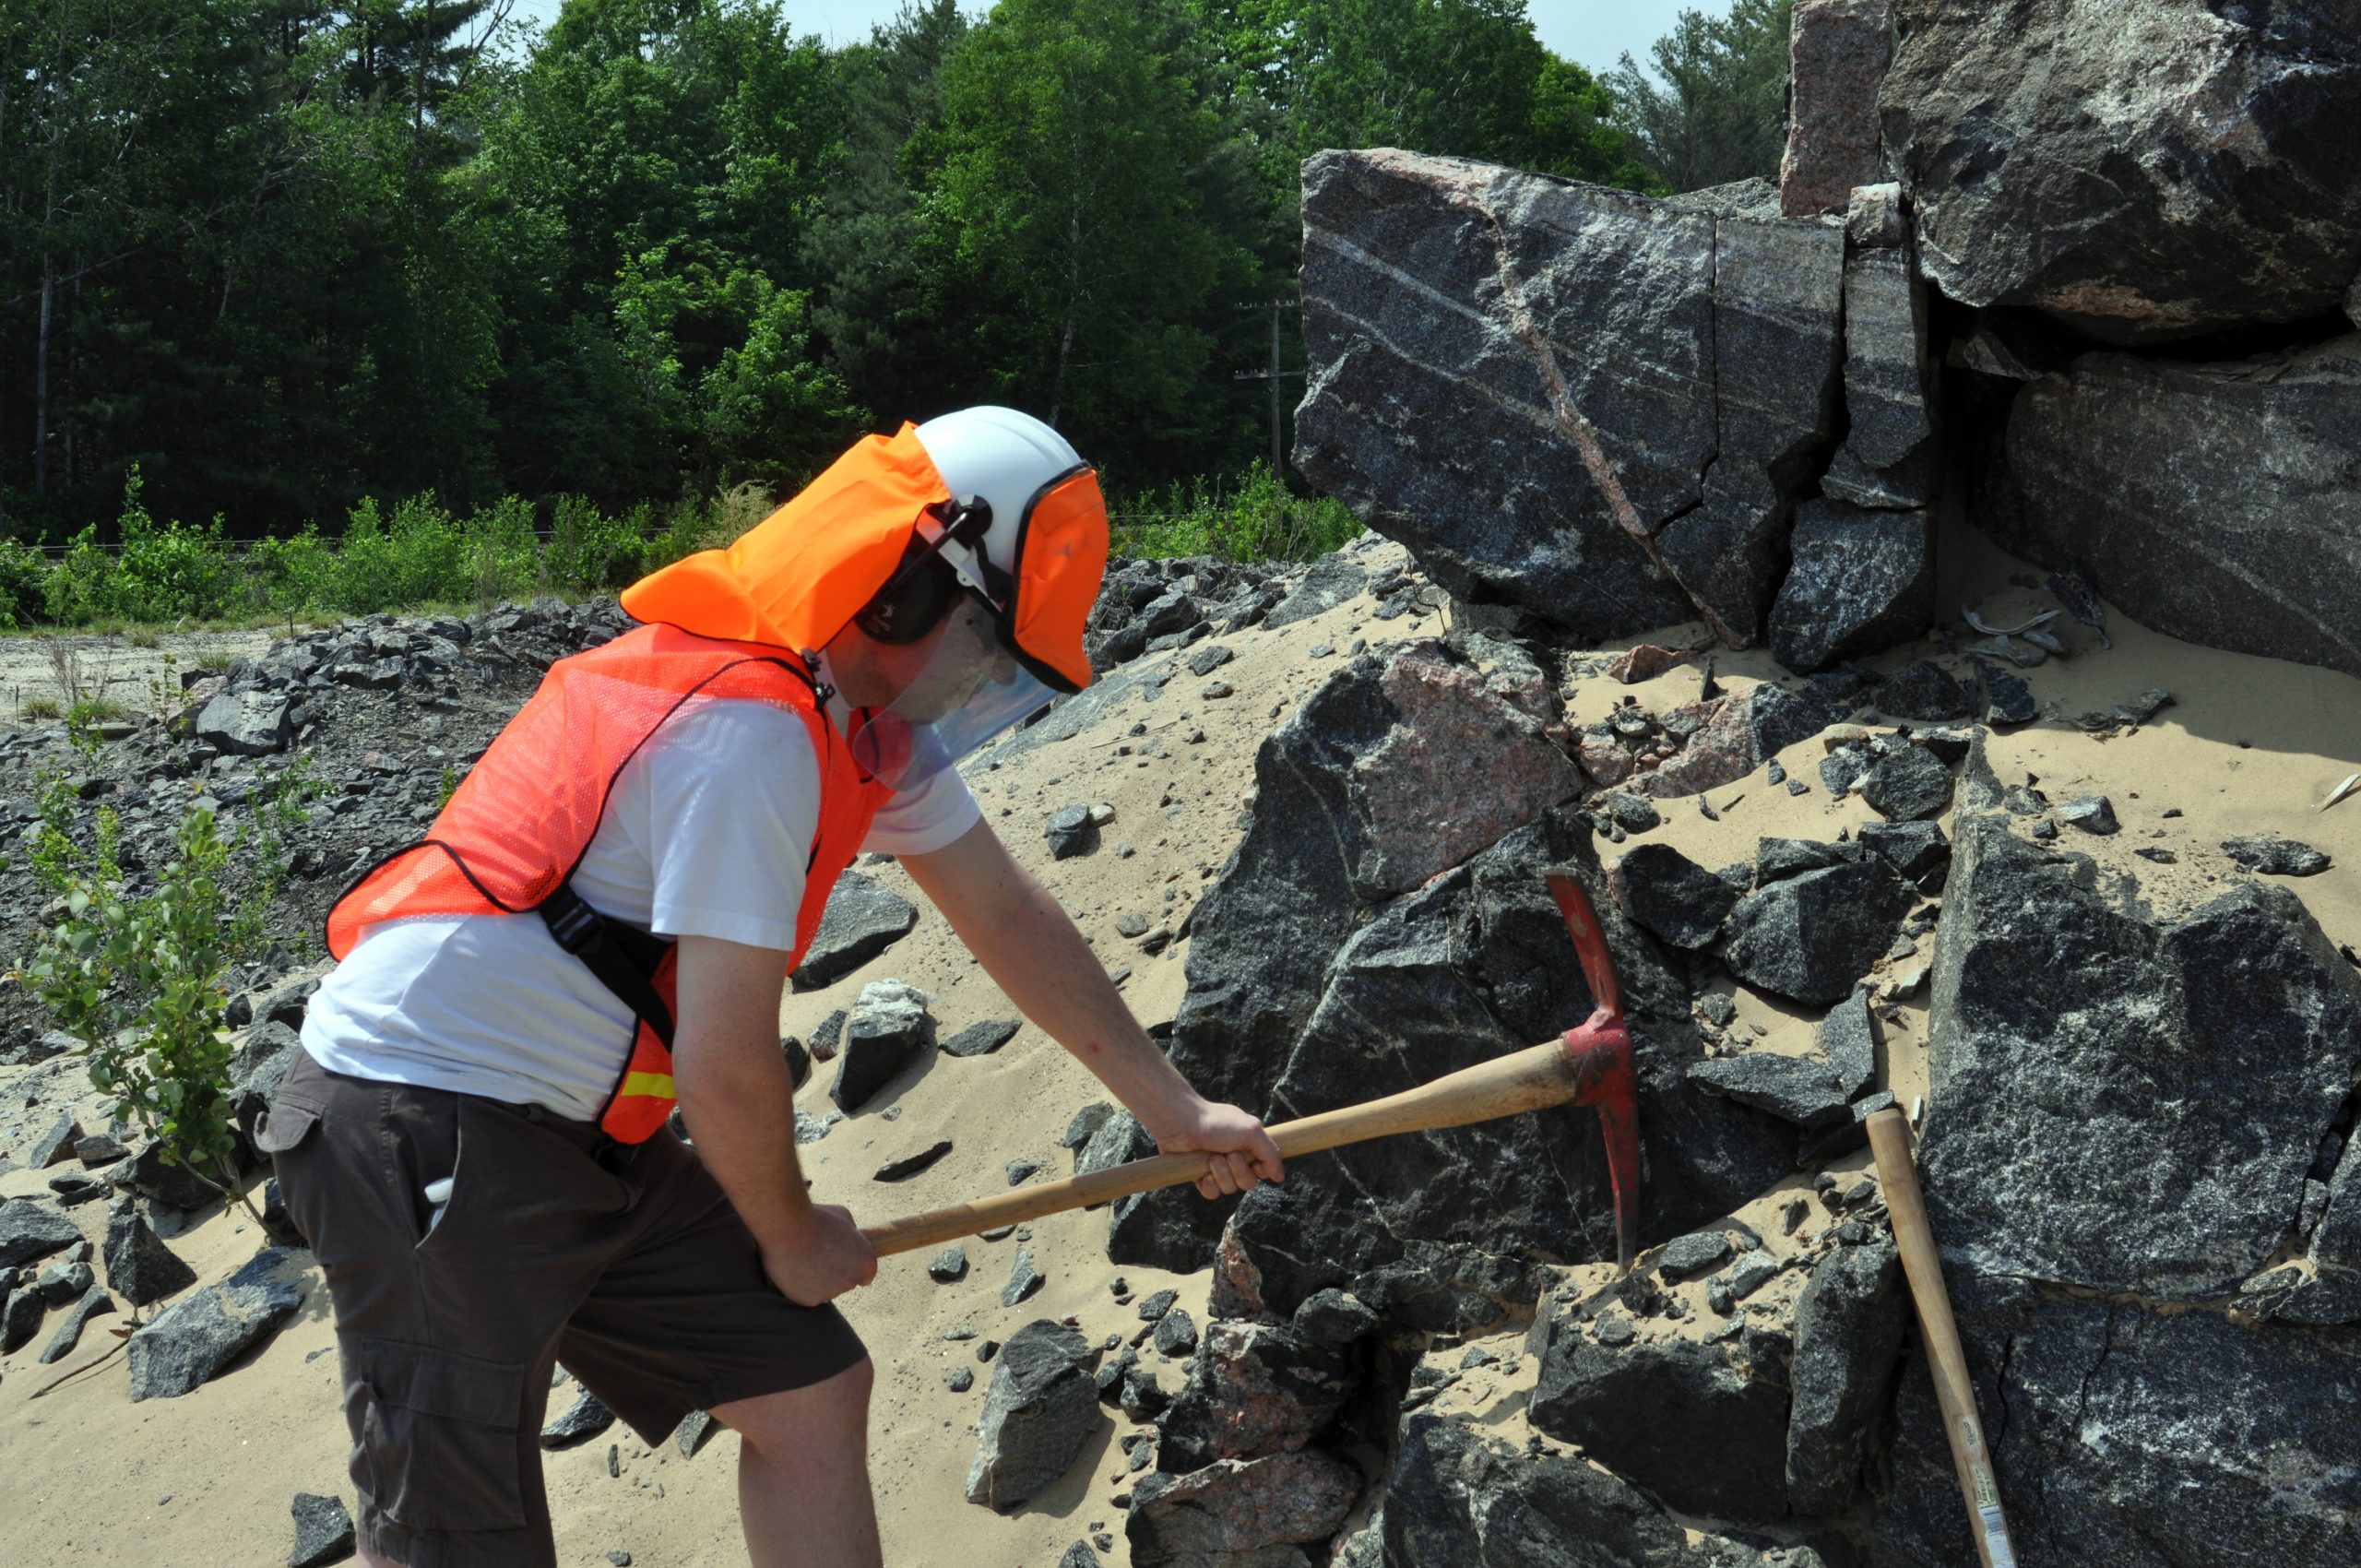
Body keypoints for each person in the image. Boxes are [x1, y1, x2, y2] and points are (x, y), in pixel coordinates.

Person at [257, 407, 1285, 1568]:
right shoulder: (745, 731)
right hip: (424, 1118)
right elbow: (725, 1061)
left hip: (584, 1136)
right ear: (903, 584)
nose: (974, 683)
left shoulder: (859, 724)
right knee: (460, 1534)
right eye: (983, 645)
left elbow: (1007, 914)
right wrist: (789, 1234)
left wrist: (1175, 1111)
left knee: (807, 1391)